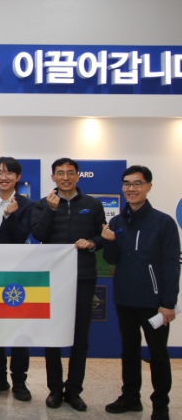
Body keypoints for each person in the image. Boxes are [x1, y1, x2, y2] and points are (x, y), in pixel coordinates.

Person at [102, 166, 179, 420]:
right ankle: (130, 397)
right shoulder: (117, 222)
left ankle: (161, 405)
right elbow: (111, 260)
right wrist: (109, 242)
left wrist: (168, 303)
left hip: (153, 302)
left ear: (148, 187)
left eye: (137, 184)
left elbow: (171, 264)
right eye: (127, 184)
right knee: (129, 351)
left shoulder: (163, 222)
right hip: (124, 299)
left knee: (158, 354)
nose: (131, 189)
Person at [31, 158, 106, 412]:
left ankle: (74, 389)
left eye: (70, 173)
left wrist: (92, 243)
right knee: (52, 335)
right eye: (60, 173)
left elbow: (102, 236)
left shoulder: (92, 205)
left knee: (80, 336)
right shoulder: (43, 204)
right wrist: (51, 211)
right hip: (52, 278)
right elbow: (39, 235)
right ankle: (54, 388)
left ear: (77, 176)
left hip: (83, 277)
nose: (66, 177)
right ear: (53, 177)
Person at [0, 157, 34, 402]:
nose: (4, 177)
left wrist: (11, 217)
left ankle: (19, 380)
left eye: (9, 173)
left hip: (17, 276)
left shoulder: (28, 205)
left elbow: (21, 237)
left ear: (17, 177)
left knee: (19, 329)